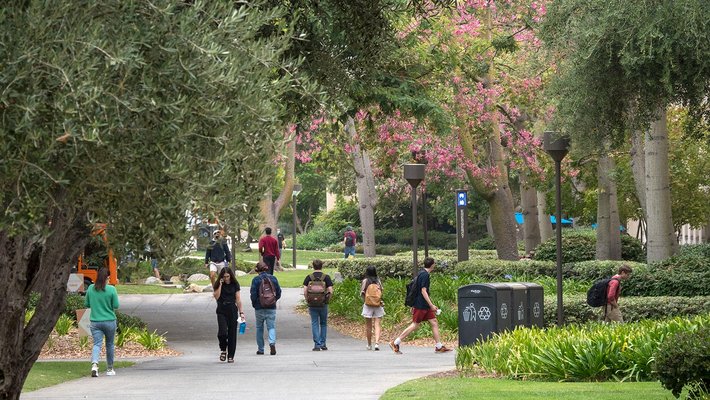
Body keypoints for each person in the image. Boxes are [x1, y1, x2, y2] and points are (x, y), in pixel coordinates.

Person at [389, 257, 452, 354]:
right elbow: (423, 291)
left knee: (434, 322)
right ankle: (395, 342)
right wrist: (431, 305)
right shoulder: (425, 275)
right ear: (433, 265)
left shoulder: (421, 273)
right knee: (415, 325)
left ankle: (439, 346)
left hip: (423, 305)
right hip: (421, 305)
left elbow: (415, 290)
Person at [84, 267, 120, 377]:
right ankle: (110, 368)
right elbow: (116, 305)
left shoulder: (90, 288)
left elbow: (87, 304)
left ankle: (94, 365)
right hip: (109, 321)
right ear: (107, 278)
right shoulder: (111, 289)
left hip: (95, 321)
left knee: (97, 344)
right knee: (109, 344)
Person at [213, 266, 244, 363]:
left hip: (232, 309)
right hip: (221, 309)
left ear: (230, 276)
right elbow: (216, 297)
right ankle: (223, 349)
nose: (226, 278)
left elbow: (238, 299)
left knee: (232, 333)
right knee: (222, 332)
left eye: (227, 276)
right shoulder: (218, 284)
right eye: (224, 276)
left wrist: (241, 312)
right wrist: (220, 285)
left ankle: (231, 355)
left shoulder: (235, 284)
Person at [250, 261, 282, 355]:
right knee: (271, 327)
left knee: (259, 328)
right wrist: (273, 300)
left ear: (257, 270)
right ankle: (272, 343)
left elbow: (253, 294)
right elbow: (278, 292)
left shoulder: (256, 280)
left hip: (259, 307)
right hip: (271, 306)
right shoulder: (273, 278)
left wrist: (255, 304)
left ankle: (261, 349)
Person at [303, 259, 334, 351]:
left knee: (315, 323)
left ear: (313, 266)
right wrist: (327, 299)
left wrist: (307, 300)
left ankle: (317, 344)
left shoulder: (309, 277)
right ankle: (323, 344)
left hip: (312, 304)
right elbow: (331, 291)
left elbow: (305, 291)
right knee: (323, 323)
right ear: (322, 266)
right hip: (323, 303)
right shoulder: (326, 277)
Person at [361, 266, 385, 351]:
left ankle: (369, 344)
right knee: (377, 324)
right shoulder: (378, 281)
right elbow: (381, 291)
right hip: (377, 304)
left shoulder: (365, 281)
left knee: (368, 325)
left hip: (368, 305)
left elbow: (362, 293)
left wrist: (366, 301)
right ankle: (377, 343)